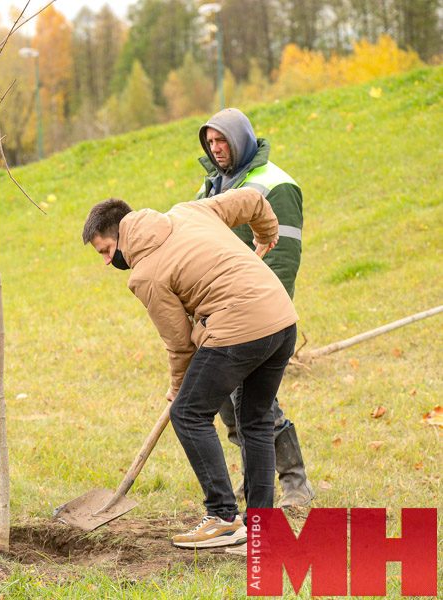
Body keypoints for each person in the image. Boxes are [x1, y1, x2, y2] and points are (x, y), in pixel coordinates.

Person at [82, 188, 298, 551]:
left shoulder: (145, 275)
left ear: (121, 234)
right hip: (281, 319)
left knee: (189, 414)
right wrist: (266, 234)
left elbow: (180, 343)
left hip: (239, 328)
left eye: (106, 250)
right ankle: (262, 526)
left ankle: (222, 518)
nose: (106, 260)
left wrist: (179, 389)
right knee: (256, 419)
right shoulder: (190, 211)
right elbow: (252, 201)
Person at [196, 108, 313, 508]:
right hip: (219, 312)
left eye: (222, 140)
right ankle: (254, 479)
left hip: (257, 314)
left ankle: (295, 483)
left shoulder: (276, 184)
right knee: (228, 405)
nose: (216, 148)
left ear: (241, 138)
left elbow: (283, 259)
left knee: (255, 403)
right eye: (210, 142)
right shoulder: (212, 186)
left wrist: (265, 322)